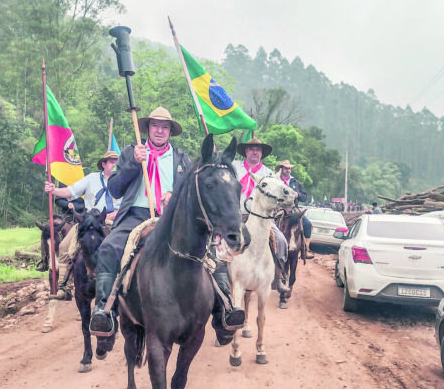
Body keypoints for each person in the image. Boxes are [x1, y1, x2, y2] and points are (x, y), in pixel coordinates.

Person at [88, 107, 245, 343]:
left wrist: (174, 194)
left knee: (212, 253)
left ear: (170, 131)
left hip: (173, 217)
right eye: (155, 126)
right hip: (135, 215)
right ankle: (104, 311)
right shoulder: (132, 151)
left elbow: (193, 191)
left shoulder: (182, 158)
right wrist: (133, 163)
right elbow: (115, 188)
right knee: (109, 248)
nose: (159, 130)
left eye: (165, 127)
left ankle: (224, 310)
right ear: (148, 128)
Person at [44, 150, 121, 299]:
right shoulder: (91, 178)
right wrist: (54, 190)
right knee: (65, 246)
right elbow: (71, 191)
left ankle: (124, 283)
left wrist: (117, 212)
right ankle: (63, 286)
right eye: (111, 162)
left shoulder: (123, 180)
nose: (115, 165)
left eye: (117, 162)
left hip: (114, 220)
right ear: (104, 164)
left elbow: (130, 202)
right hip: (89, 221)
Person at [232, 137, 289, 285]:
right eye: (251, 149)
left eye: (257, 149)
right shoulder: (234, 166)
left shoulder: (269, 173)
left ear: (262, 153)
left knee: (281, 240)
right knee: (216, 239)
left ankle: (278, 275)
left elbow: (278, 195)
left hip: (261, 218)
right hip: (235, 215)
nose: (254, 152)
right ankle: (217, 273)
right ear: (246, 151)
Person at [275, 160, 315, 259]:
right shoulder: (275, 181)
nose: (287, 170)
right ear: (281, 169)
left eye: (289, 168)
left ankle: (306, 249)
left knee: (307, 224)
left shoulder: (296, 182)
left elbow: (304, 197)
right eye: (285, 168)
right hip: (278, 208)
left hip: (293, 208)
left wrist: (298, 195)